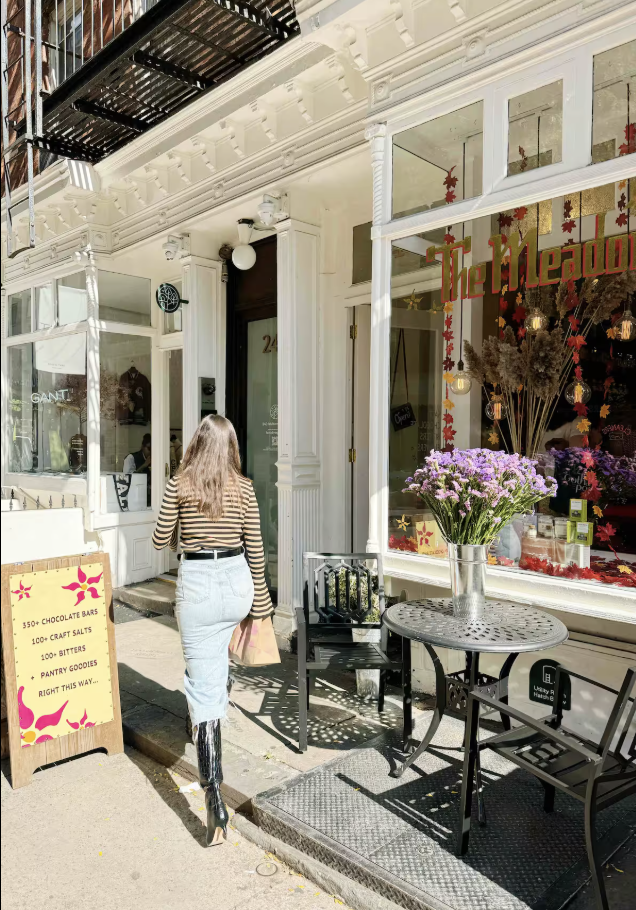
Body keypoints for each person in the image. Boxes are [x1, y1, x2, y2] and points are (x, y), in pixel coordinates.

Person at [152, 415, 272, 846]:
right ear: (232, 447)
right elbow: (256, 548)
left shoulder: (179, 483)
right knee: (216, 666)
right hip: (238, 582)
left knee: (202, 694)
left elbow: (160, 538)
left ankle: (214, 797)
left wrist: (183, 530)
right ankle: (219, 688)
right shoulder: (244, 487)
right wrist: (260, 604)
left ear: (196, 444)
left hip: (199, 586)